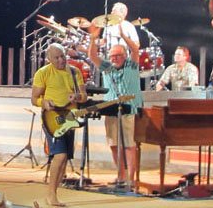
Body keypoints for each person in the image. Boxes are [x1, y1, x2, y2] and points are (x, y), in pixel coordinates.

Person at [31, 44, 86, 207]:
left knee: (65, 158)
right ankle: (51, 194)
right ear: (49, 59)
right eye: (57, 58)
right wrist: (44, 103)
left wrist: (78, 96)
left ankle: (53, 192)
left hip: (70, 118)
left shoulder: (75, 72)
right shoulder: (43, 73)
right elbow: (34, 99)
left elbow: (84, 96)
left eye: (63, 56)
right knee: (60, 155)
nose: (61, 60)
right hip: (52, 119)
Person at [88, 23, 143, 188]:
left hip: (129, 109)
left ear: (124, 56)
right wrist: (93, 38)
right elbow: (92, 56)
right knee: (114, 144)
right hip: (111, 109)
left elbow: (135, 50)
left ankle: (131, 179)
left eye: (118, 56)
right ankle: (121, 176)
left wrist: (124, 36)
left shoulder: (131, 65)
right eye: (112, 56)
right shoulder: (107, 67)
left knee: (129, 145)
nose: (114, 59)